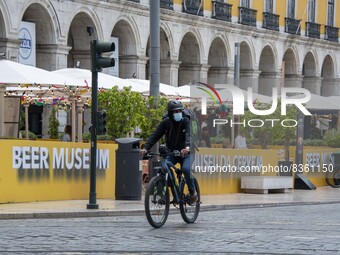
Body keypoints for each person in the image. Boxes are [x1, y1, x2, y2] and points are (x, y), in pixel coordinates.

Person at [141, 100, 197, 204]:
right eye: (175, 112)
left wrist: (187, 147)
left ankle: (192, 192)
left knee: (185, 168)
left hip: (188, 152)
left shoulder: (185, 121)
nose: (178, 113)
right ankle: (167, 194)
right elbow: (155, 135)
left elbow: (188, 135)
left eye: (180, 111)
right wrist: (145, 148)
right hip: (172, 153)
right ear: (170, 113)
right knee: (164, 167)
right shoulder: (166, 123)